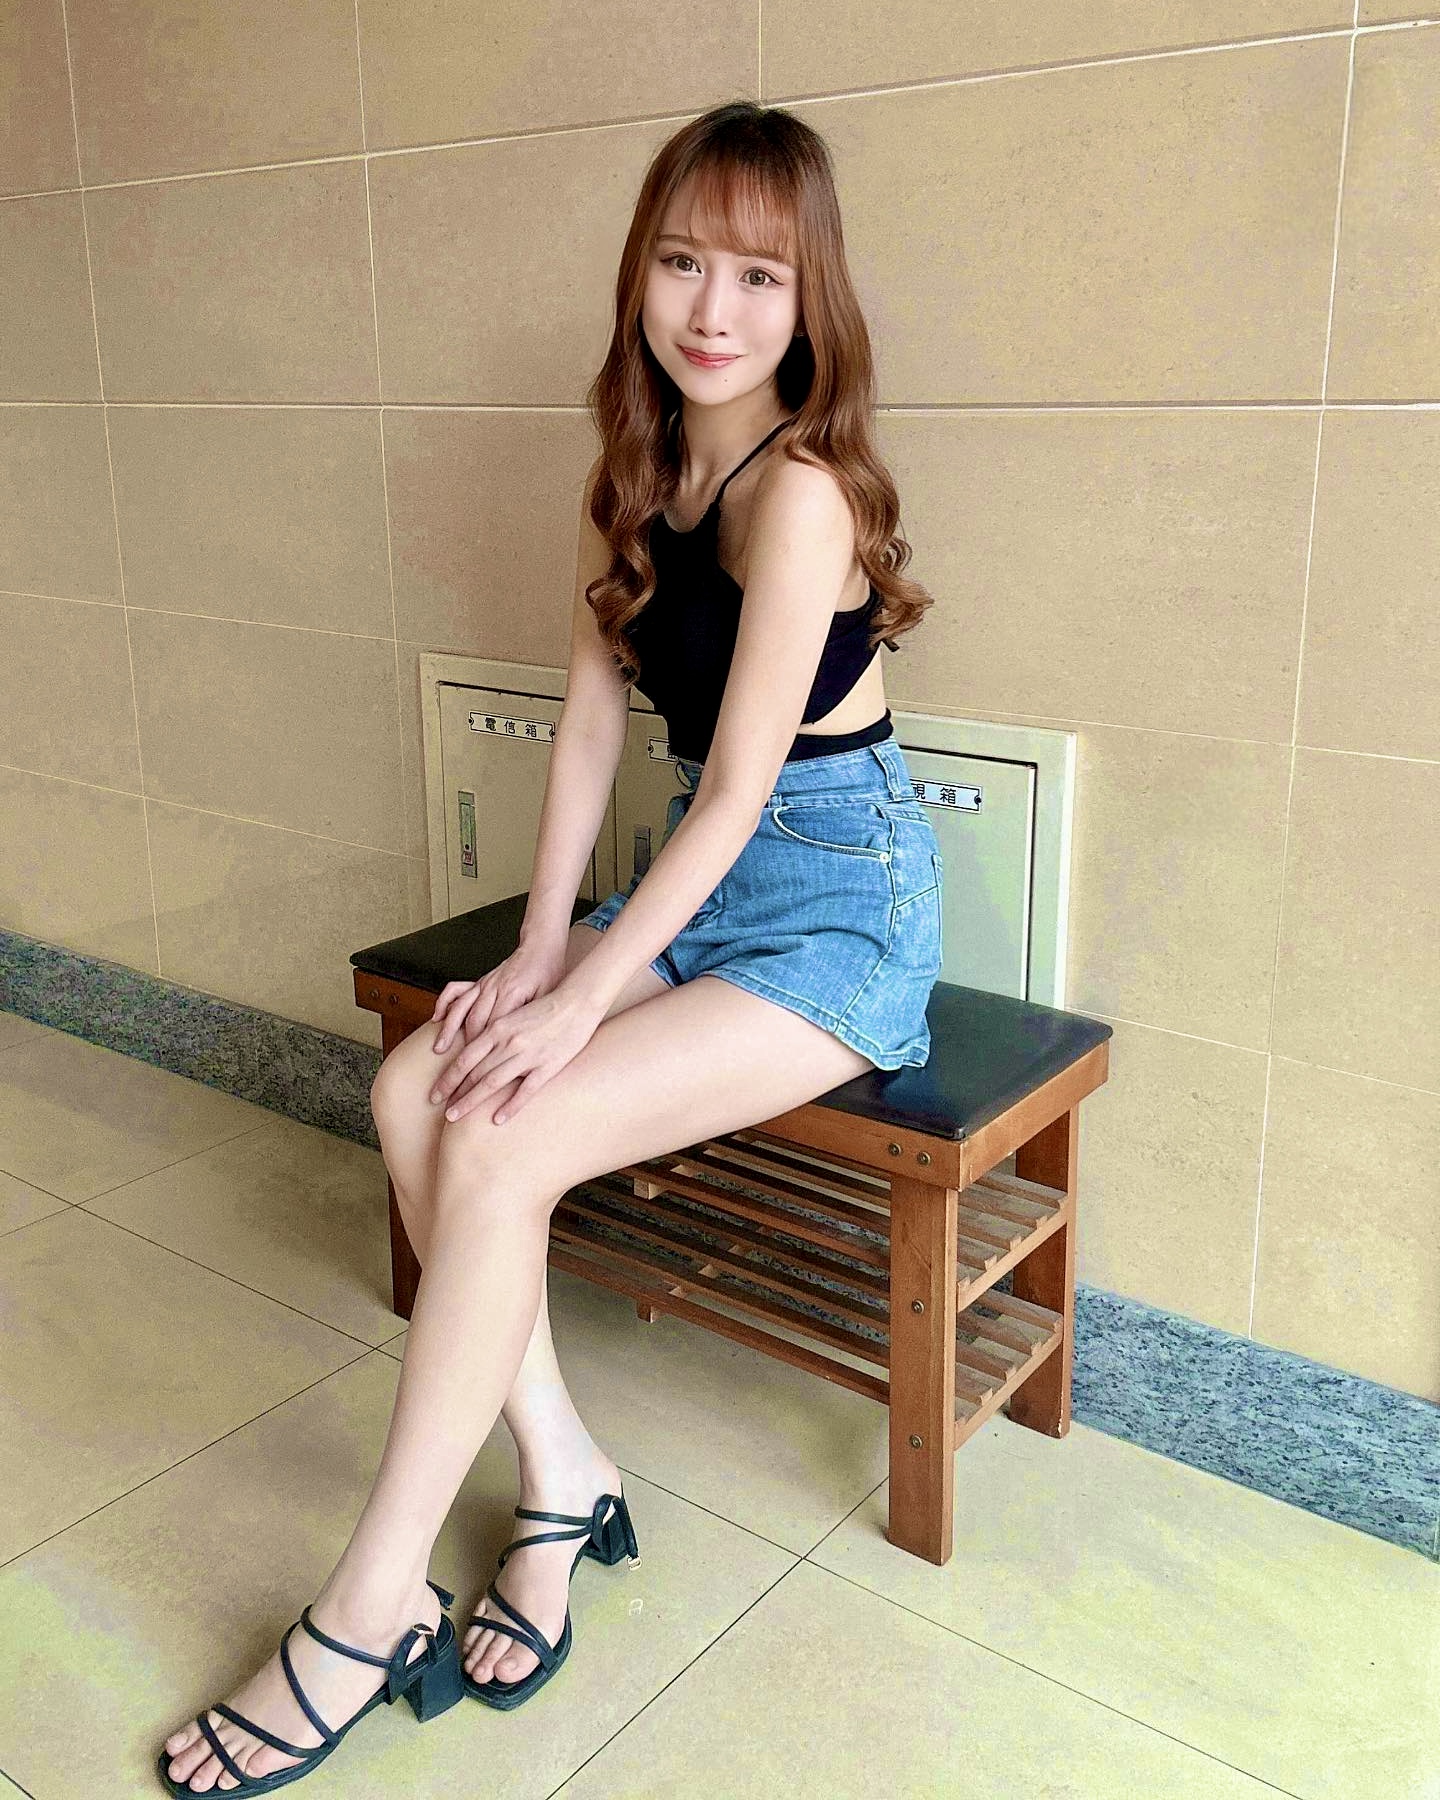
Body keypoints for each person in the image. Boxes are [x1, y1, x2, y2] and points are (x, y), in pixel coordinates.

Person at [157, 98, 940, 1795]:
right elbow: (591, 724)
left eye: (758, 275)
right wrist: (534, 957)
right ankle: (567, 1476)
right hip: (699, 885)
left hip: (838, 905)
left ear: (811, 301)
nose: (713, 309)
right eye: (683, 262)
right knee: (416, 1093)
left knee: (506, 1134)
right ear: (638, 272)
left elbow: (738, 795)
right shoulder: (635, 470)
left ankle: (367, 1608)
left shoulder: (804, 493)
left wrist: (584, 1000)